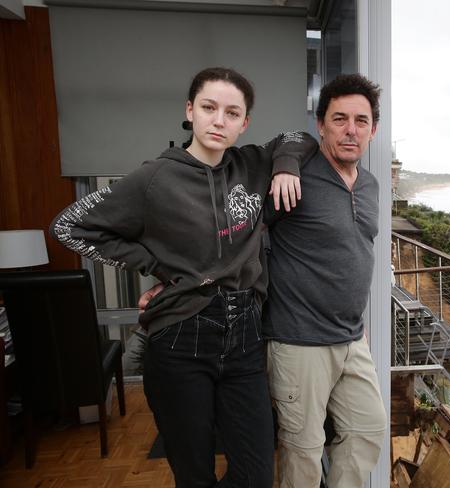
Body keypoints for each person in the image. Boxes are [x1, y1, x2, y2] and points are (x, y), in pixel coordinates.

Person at [50, 67, 318, 488]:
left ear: (244, 123)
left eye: (232, 113)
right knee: (194, 475)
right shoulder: (154, 178)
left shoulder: (251, 164)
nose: (219, 120)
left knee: (256, 474)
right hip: (181, 337)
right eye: (209, 108)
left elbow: (298, 136)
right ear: (190, 110)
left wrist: (285, 166)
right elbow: (70, 226)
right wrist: (155, 264)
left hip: (245, 336)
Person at [263, 73, 386, 488]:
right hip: (299, 342)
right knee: (303, 452)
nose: (351, 130)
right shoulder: (297, 173)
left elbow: (356, 252)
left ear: (373, 129)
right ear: (321, 125)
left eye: (361, 121)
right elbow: (239, 235)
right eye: (339, 119)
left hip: (351, 339)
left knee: (368, 430)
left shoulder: (370, 185)